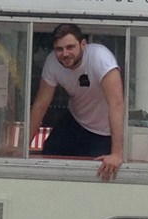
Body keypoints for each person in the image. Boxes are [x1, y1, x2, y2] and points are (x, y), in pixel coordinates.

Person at [28, 23, 124, 181]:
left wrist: (117, 154)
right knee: (49, 154)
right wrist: (22, 147)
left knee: (96, 175)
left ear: (83, 44)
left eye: (70, 47)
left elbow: (117, 104)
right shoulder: (52, 62)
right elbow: (40, 106)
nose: (65, 54)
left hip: (103, 132)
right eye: (59, 49)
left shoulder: (101, 58)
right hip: (75, 120)